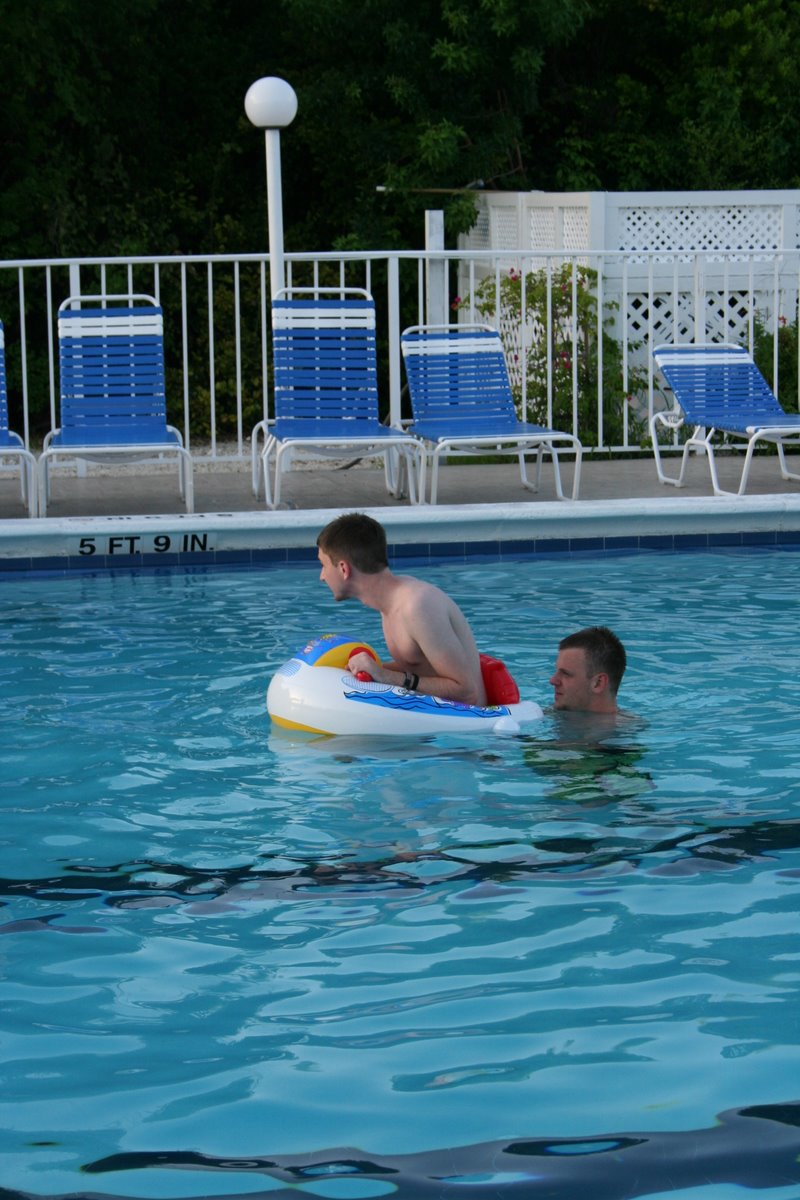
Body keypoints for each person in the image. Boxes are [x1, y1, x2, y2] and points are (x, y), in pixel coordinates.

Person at [316, 512, 487, 705]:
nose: (322, 576)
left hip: (470, 722)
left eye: (323, 565)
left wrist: (384, 675)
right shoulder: (390, 601)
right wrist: (359, 669)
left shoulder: (417, 605)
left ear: (343, 569)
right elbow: (423, 669)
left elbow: (467, 693)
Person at [549, 626, 626, 714]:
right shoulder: (544, 713)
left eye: (566, 673)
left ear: (598, 683)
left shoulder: (631, 727)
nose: (552, 681)